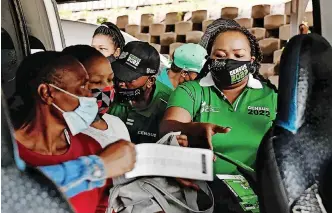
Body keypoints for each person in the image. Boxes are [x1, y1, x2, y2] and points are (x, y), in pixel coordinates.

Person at [12, 52, 136, 213]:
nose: (90, 95)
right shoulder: (7, 152)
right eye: (83, 87)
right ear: (47, 93)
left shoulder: (90, 147)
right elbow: (14, 199)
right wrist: (97, 167)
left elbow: (101, 206)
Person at [160, 18, 278, 175]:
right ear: (210, 60)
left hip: (258, 189)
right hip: (200, 188)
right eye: (220, 55)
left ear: (251, 61)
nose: (229, 60)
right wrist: (193, 128)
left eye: (238, 55)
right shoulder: (191, 90)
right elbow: (167, 127)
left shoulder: (271, 97)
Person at [63, 45, 131, 147]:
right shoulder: (65, 134)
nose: (108, 87)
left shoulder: (117, 124)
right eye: (96, 81)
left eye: (110, 79)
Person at [108, 41, 173, 144]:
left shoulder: (169, 105)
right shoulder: (108, 90)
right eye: (118, 74)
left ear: (150, 81)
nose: (121, 83)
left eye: (129, 79)